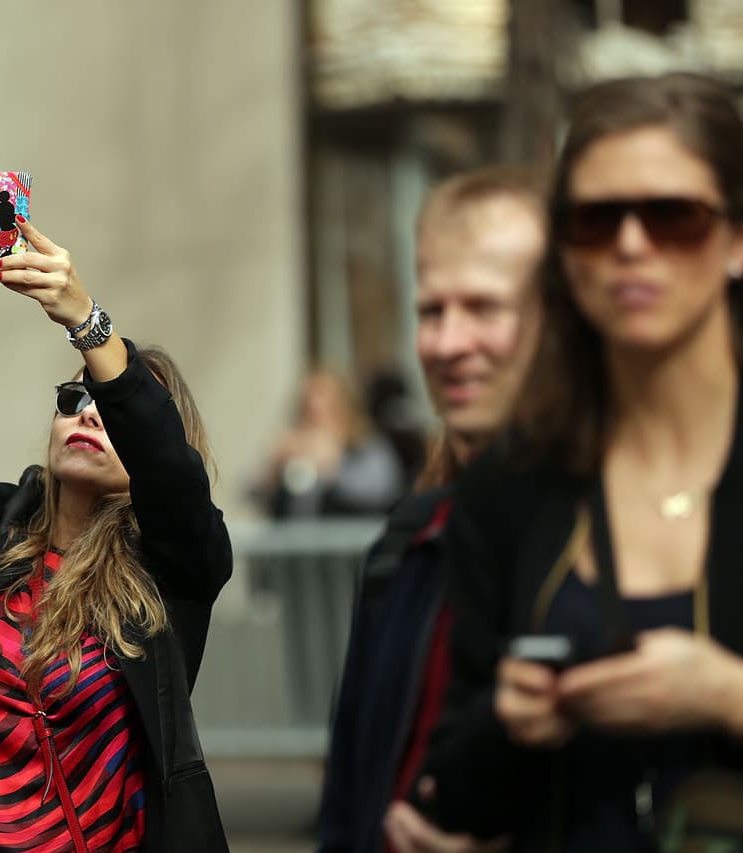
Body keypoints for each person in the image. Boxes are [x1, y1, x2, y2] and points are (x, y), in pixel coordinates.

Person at [417, 73, 743, 851]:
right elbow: (455, 790)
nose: (632, 244)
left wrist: (726, 694)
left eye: (674, 216)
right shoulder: (513, 482)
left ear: (735, 239)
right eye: (595, 221)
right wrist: (508, 719)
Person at [0, 215, 232, 852]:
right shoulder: (0, 531)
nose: (88, 412)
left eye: (111, 409)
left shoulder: (176, 565)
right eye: (73, 399)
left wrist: (87, 322)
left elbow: (171, 476)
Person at [315, 166, 546, 853]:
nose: (447, 344)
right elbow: (350, 801)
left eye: (484, 308)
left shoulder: (613, 539)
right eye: (431, 311)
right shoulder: (408, 544)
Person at [257, 366, 405, 518]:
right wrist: (274, 469)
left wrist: (334, 468)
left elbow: (384, 490)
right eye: (308, 410)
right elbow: (249, 493)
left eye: (326, 409)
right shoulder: (295, 448)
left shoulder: (366, 445)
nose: (317, 419)